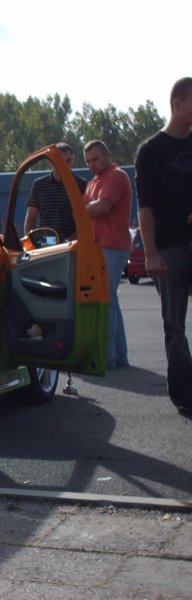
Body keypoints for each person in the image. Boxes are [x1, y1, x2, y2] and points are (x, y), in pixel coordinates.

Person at [135, 77, 192, 416]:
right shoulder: (151, 150)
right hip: (169, 249)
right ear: (177, 104)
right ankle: (185, 393)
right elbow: (145, 207)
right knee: (174, 325)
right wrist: (150, 253)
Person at [83, 140, 132, 369]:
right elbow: (89, 209)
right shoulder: (93, 182)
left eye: (95, 159)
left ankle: (107, 357)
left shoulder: (116, 175)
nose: (91, 164)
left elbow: (102, 208)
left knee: (106, 300)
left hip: (112, 245)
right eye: (88, 161)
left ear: (107, 154)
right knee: (111, 300)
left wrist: (83, 208)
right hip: (99, 246)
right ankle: (119, 356)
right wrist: (87, 208)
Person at [24, 142, 87, 241]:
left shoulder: (82, 185)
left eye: (69, 160)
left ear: (73, 160)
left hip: (73, 244)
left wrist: (69, 241)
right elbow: (30, 218)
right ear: (50, 162)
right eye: (60, 161)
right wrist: (33, 241)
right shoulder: (39, 185)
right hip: (45, 243)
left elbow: (86, 221)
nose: (65, 165)